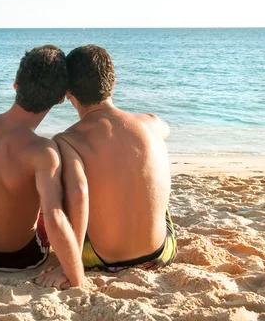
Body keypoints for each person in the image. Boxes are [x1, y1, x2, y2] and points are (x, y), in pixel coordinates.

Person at [37, 44, 176, 289]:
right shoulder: (152, 123)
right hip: (161, 253)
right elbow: (165, 130)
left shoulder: (67, 140)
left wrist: (71, 263)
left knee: (58, 186)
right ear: (112, 83)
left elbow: (79, 194)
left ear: (68, 92)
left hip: (100, 259)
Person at [0, 45, 86, 287]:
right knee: (48, 190)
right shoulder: (44, 151)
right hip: (23, 259)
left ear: (15, 84)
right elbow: (53, 218)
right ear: (61, 98)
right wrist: (78, 278)